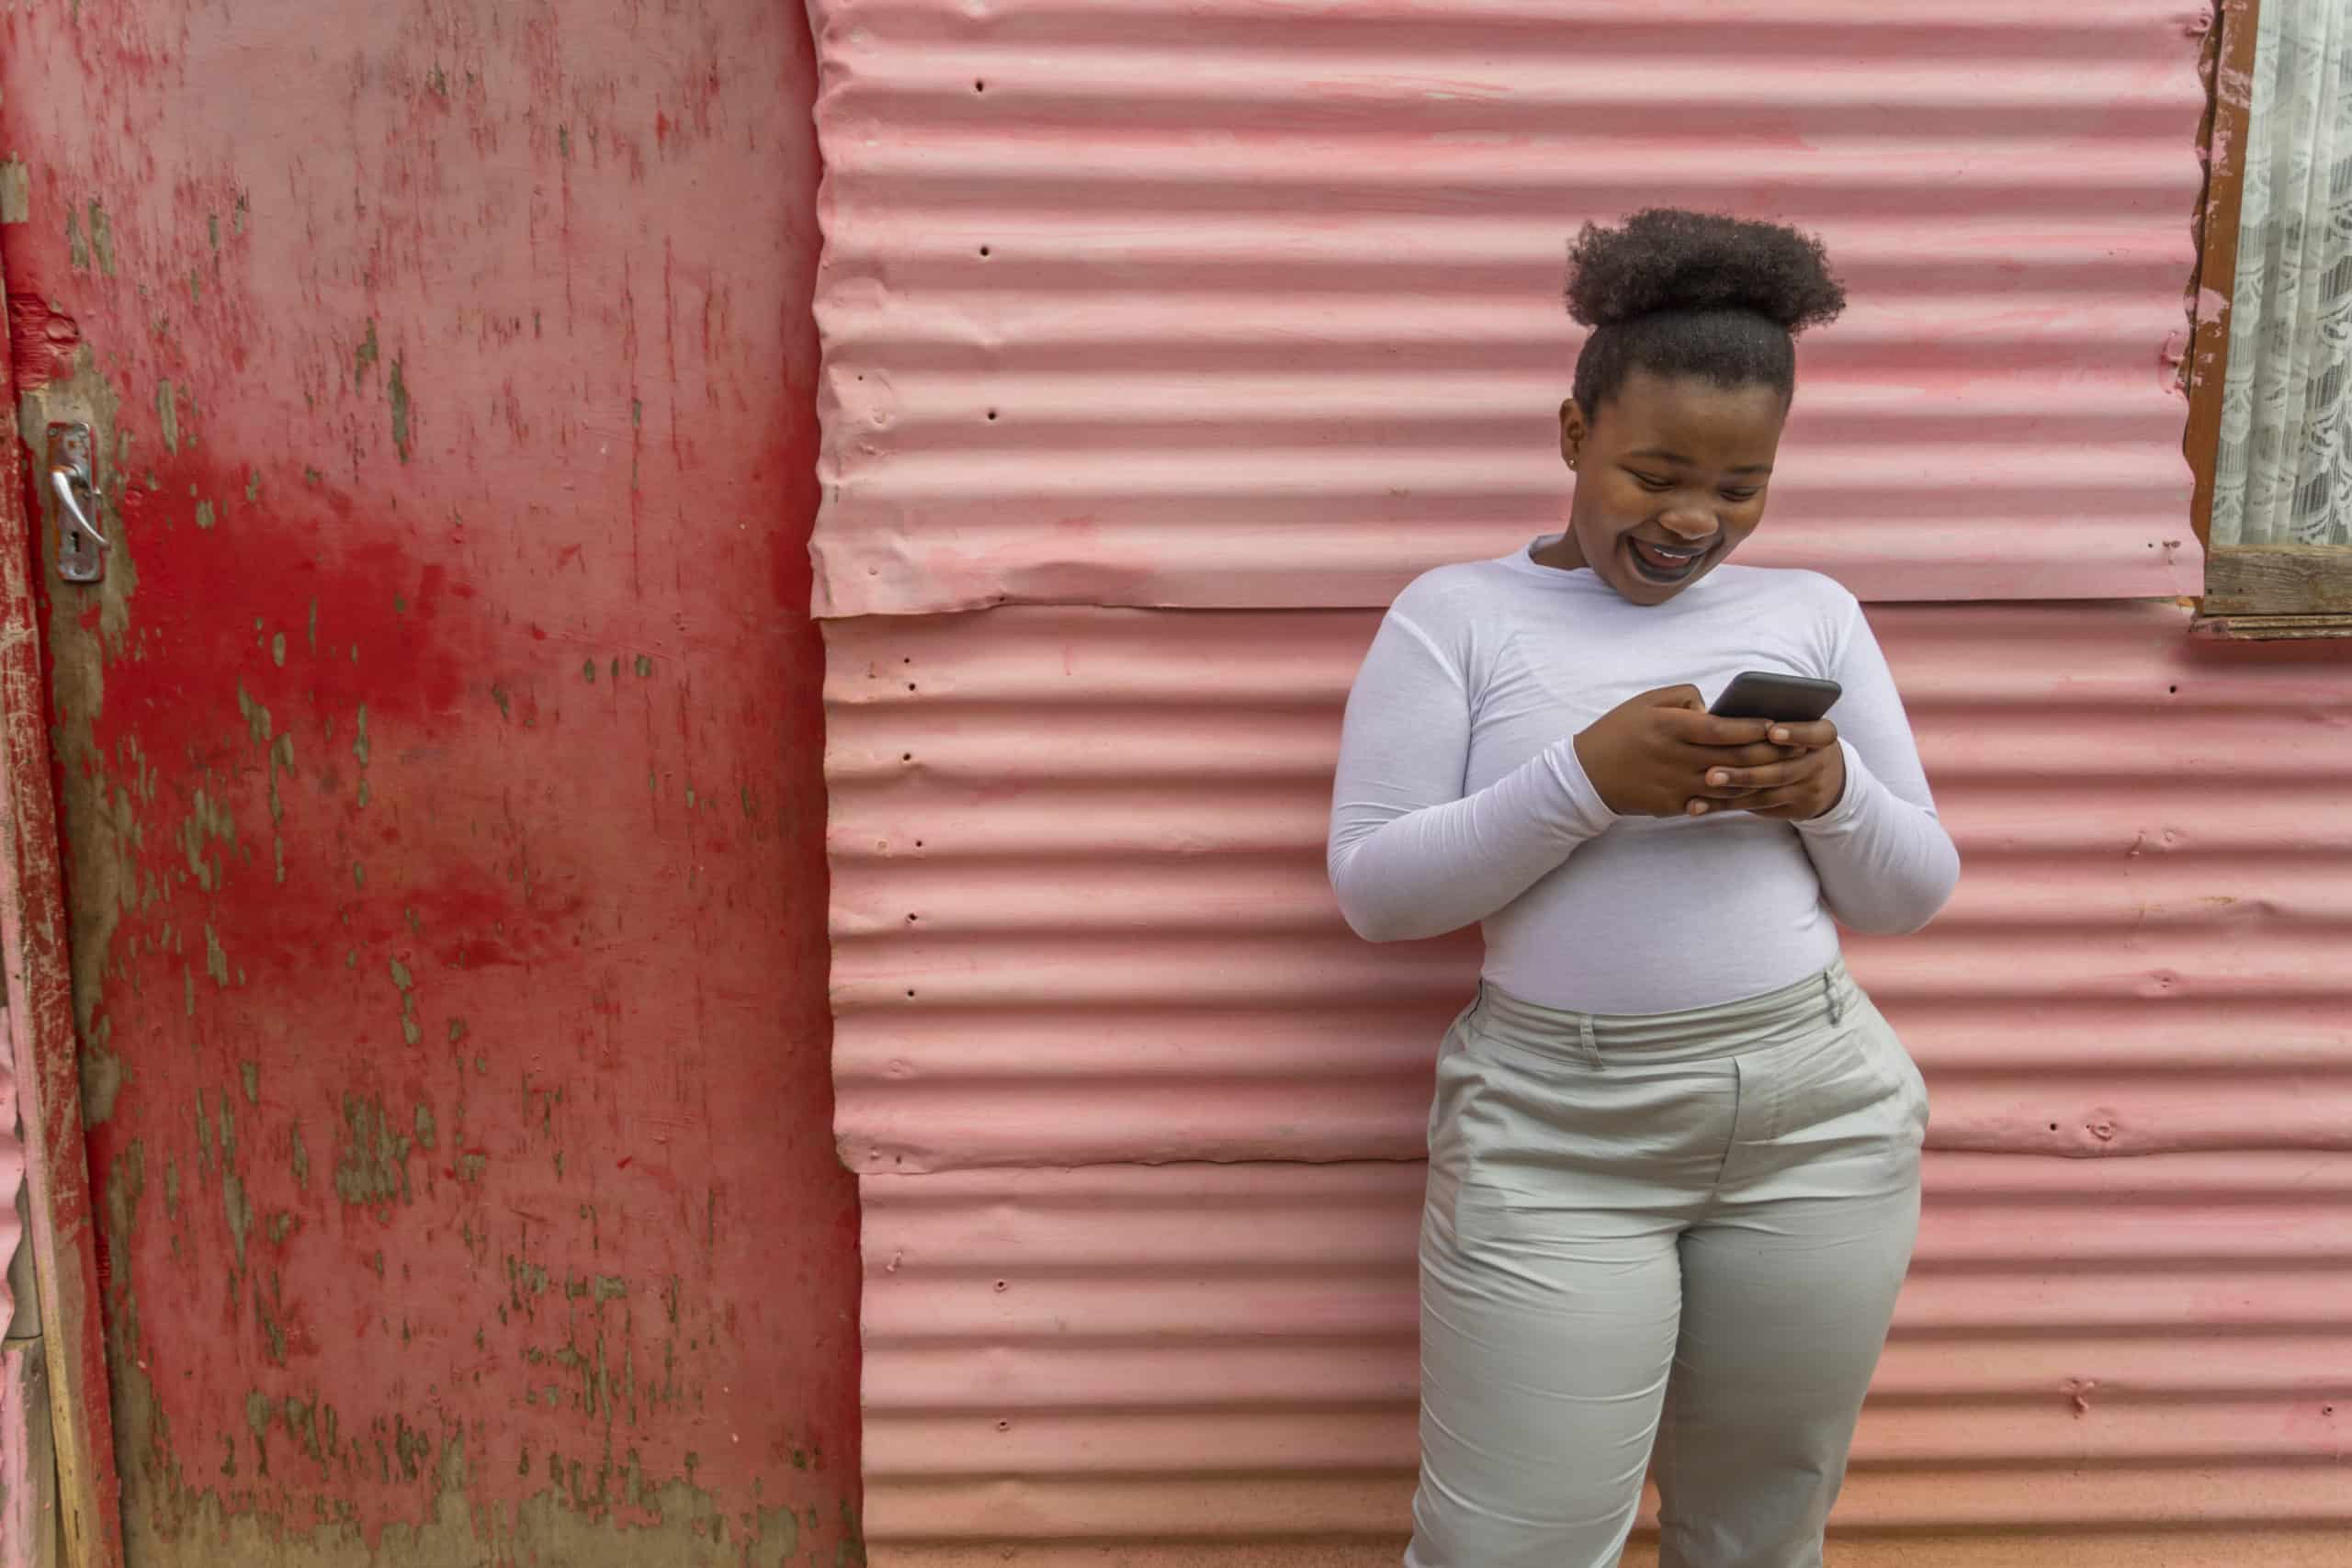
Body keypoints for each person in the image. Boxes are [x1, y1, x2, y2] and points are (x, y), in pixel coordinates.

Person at [1326, 209, 1962, 1568]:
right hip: (1560, 1128)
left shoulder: (1815, 612)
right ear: (1572, 437)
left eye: (1740, 488)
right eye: (1654, 471)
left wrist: (1829, 791)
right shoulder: (1457, 617)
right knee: (1515, 1542)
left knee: (1758, 1525)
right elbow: (1379, 894)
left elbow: (1912, 895)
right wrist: (1587, 782)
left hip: (1818, 1112)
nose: (1692, 520)